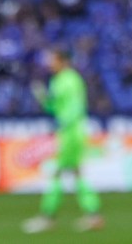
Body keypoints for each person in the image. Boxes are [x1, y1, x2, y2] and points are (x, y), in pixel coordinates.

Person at [21, 50, 104, 233]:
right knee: (76, 173)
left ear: (63, 61)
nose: (50, 64)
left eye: (53, 60)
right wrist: (43, 98)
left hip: (72, 131)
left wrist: (66, 122)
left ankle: (47, 217)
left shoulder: (70, 79)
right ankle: (94, 215)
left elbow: (74, 107)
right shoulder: (58, 80)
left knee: (58, 172)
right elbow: (54, 108)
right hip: (69, 130)